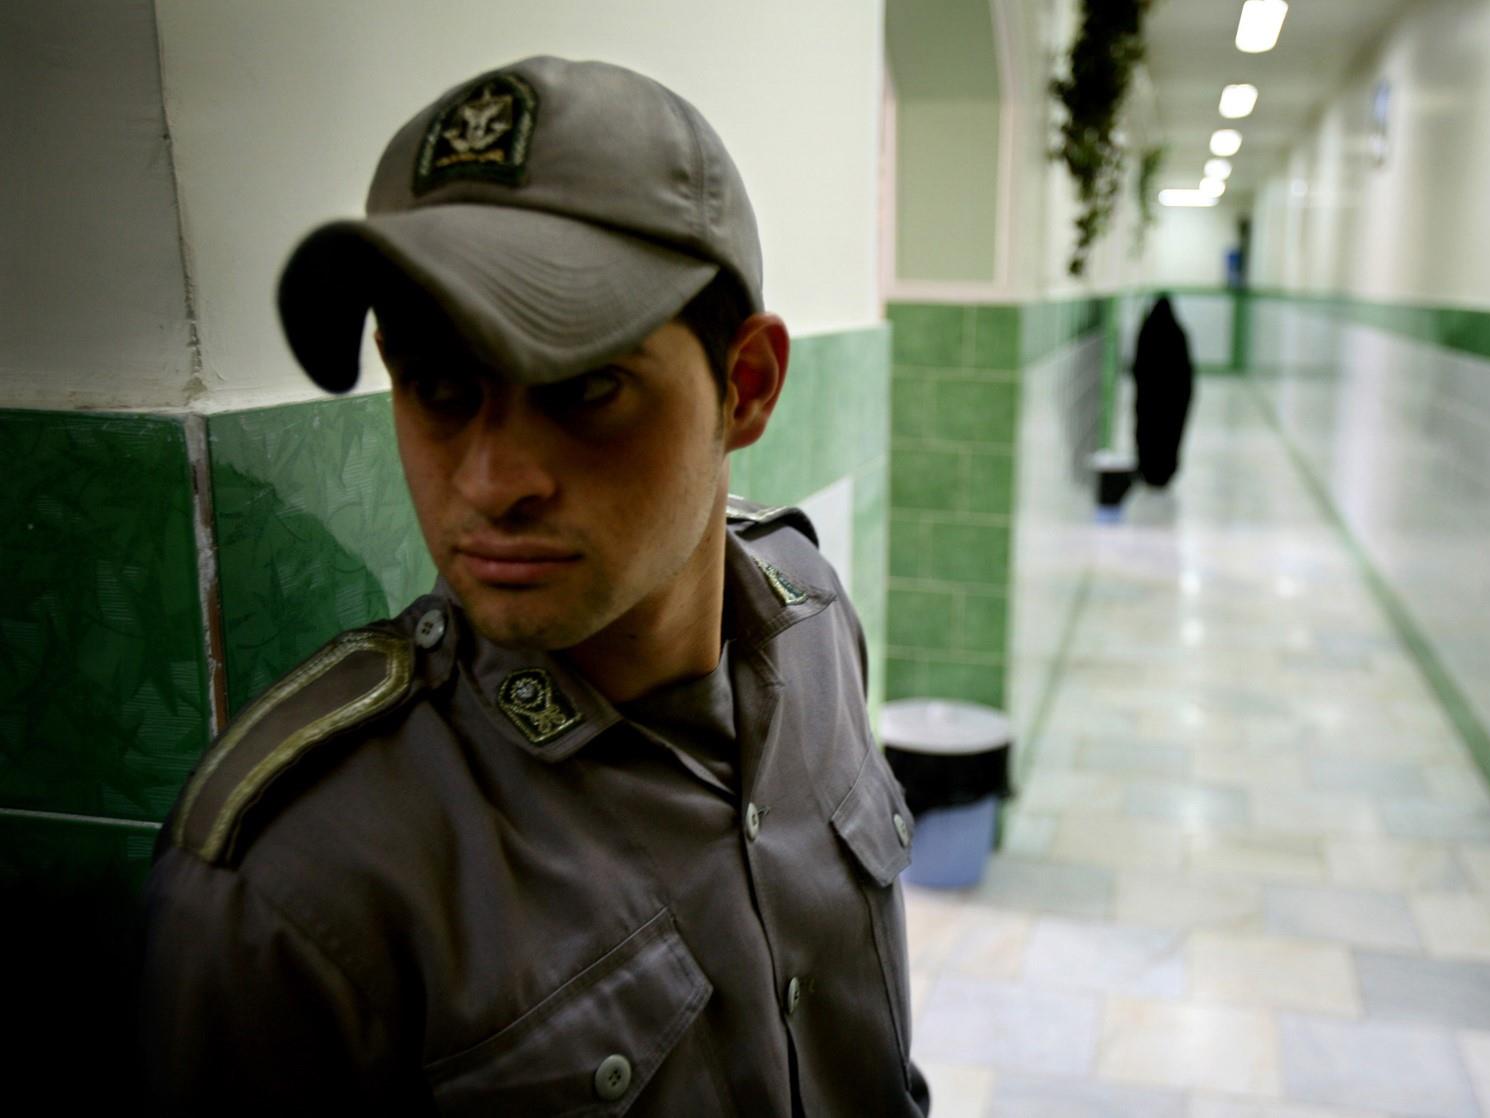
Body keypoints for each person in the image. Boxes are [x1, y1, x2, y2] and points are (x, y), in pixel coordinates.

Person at [138, 56, 929, 1116]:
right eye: (438, 388)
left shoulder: (812, 619)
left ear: (744, 387)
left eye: (586, 387)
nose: (490, 483)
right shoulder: (295, 884)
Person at [1130, 295, 1196, 488]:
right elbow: (1186, 373)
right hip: (1174, 401)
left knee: (1147, 433)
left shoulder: (1147, 332)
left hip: (1149, 399)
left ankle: (1148, 470)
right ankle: (1165, 471)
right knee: (1170, 435)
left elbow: (1138, 367)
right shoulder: (1179, 333)